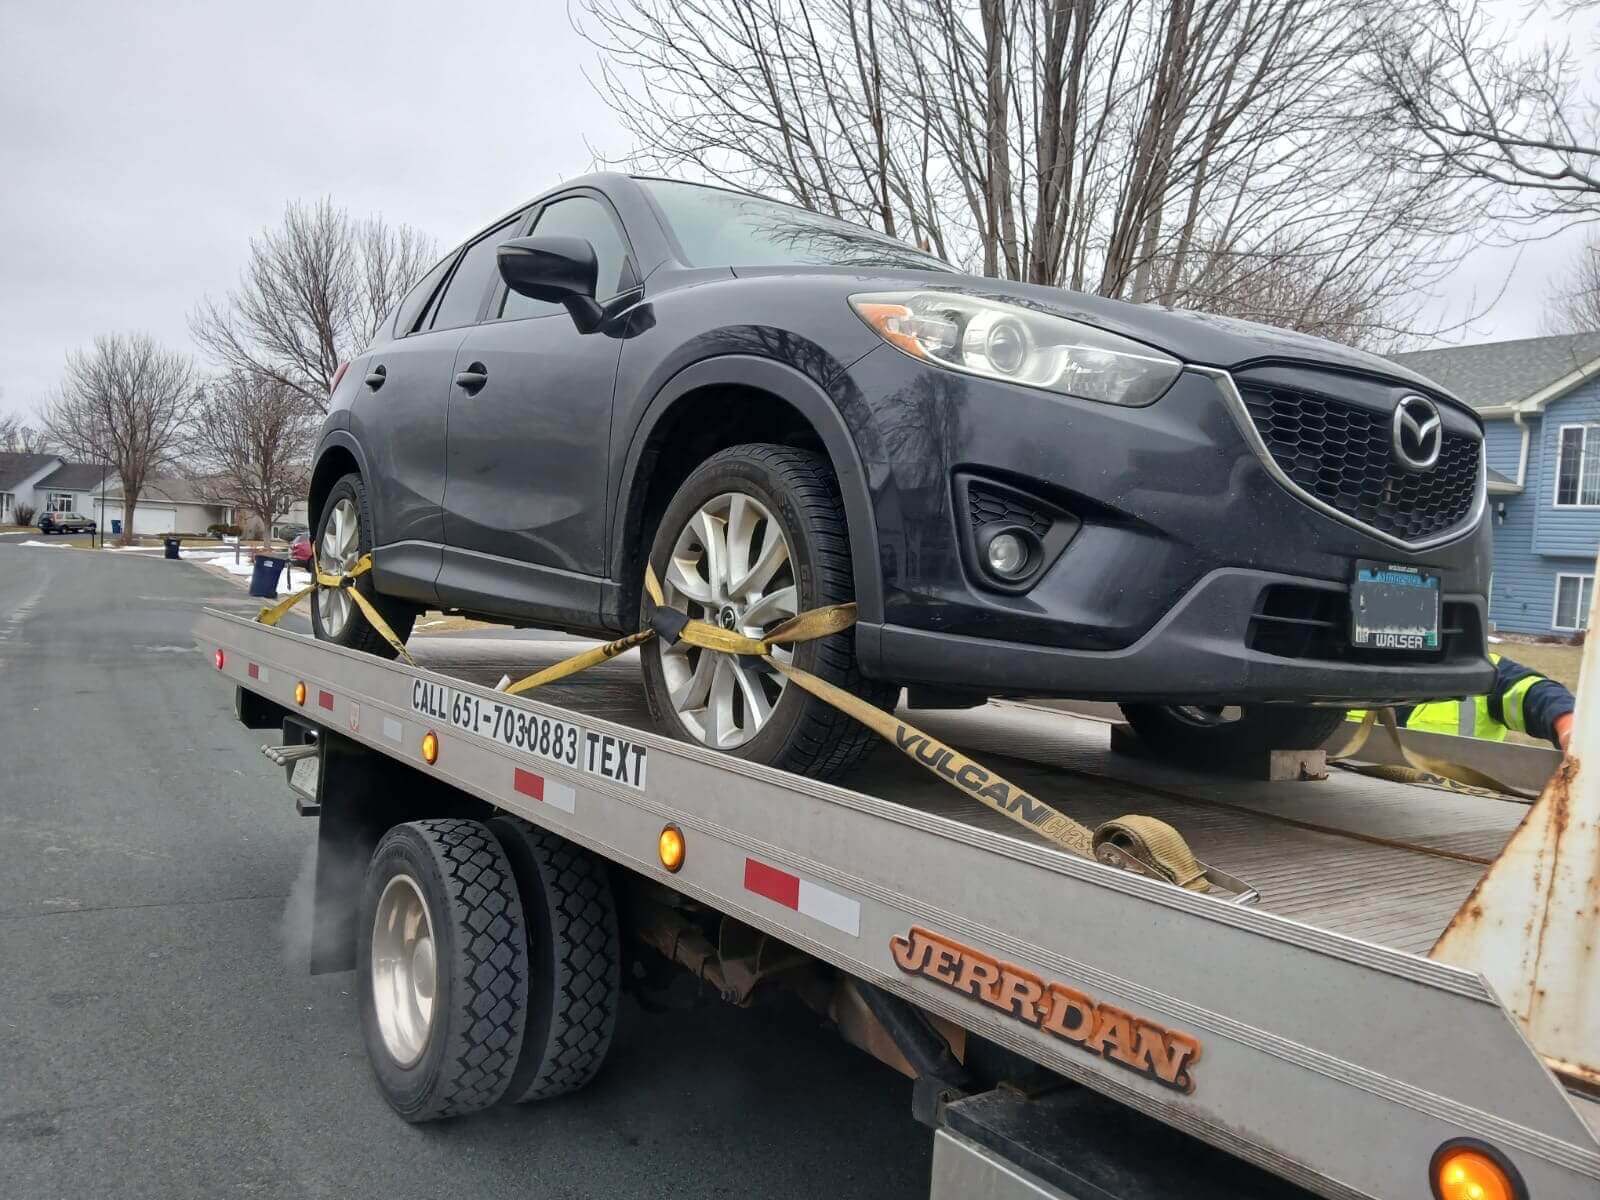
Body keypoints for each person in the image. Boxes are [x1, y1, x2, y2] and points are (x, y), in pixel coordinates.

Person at [1354, 653, 1575, 752]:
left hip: (1457, 810)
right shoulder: (1338, 668)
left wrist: (1569, 729)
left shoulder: (1481, 671)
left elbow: (1536, 695)